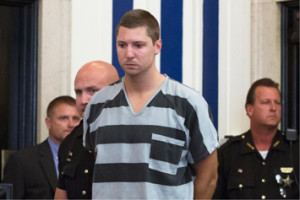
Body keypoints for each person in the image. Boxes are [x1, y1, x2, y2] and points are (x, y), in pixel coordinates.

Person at [83, 9, 219, 199]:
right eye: (122, 45)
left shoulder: (188, 103)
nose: (129, 53)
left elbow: (209, 176)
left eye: (138, 45)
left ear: (157, 46)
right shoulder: (98, 104)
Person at [213, 78, 299, 199]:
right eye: (266, 102)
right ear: (250, 109)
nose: (273, 108)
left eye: (277, 102)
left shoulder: (294, 150)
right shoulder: (229, 153)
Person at [54, 61, 119, 199]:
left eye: (92, 91)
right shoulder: (70, 141)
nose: (83, 100)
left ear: (116, 92)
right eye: (78, 92)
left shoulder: (136, 134)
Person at [2, 96, 80, 199]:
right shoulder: (22, 161)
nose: (71, 124)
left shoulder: (88, 158)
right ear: (48, 123)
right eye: (63, 118)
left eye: (76, 118)